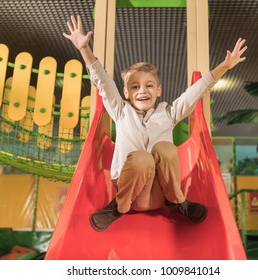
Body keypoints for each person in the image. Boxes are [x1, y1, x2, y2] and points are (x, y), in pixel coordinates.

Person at [63, 15, 247, 232]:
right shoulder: (121, 112)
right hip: (130, 194)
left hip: (160, 194)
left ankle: (178, 202)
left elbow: (194, 93)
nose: (142, 90)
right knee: (142, 158)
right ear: (126, 93)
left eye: (149, 85)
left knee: (165, 149)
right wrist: (85, 49)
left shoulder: (167, 113)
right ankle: (117, 208)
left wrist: (224, 66)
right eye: (134, 87)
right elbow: (102, 81)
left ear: (158, 90)